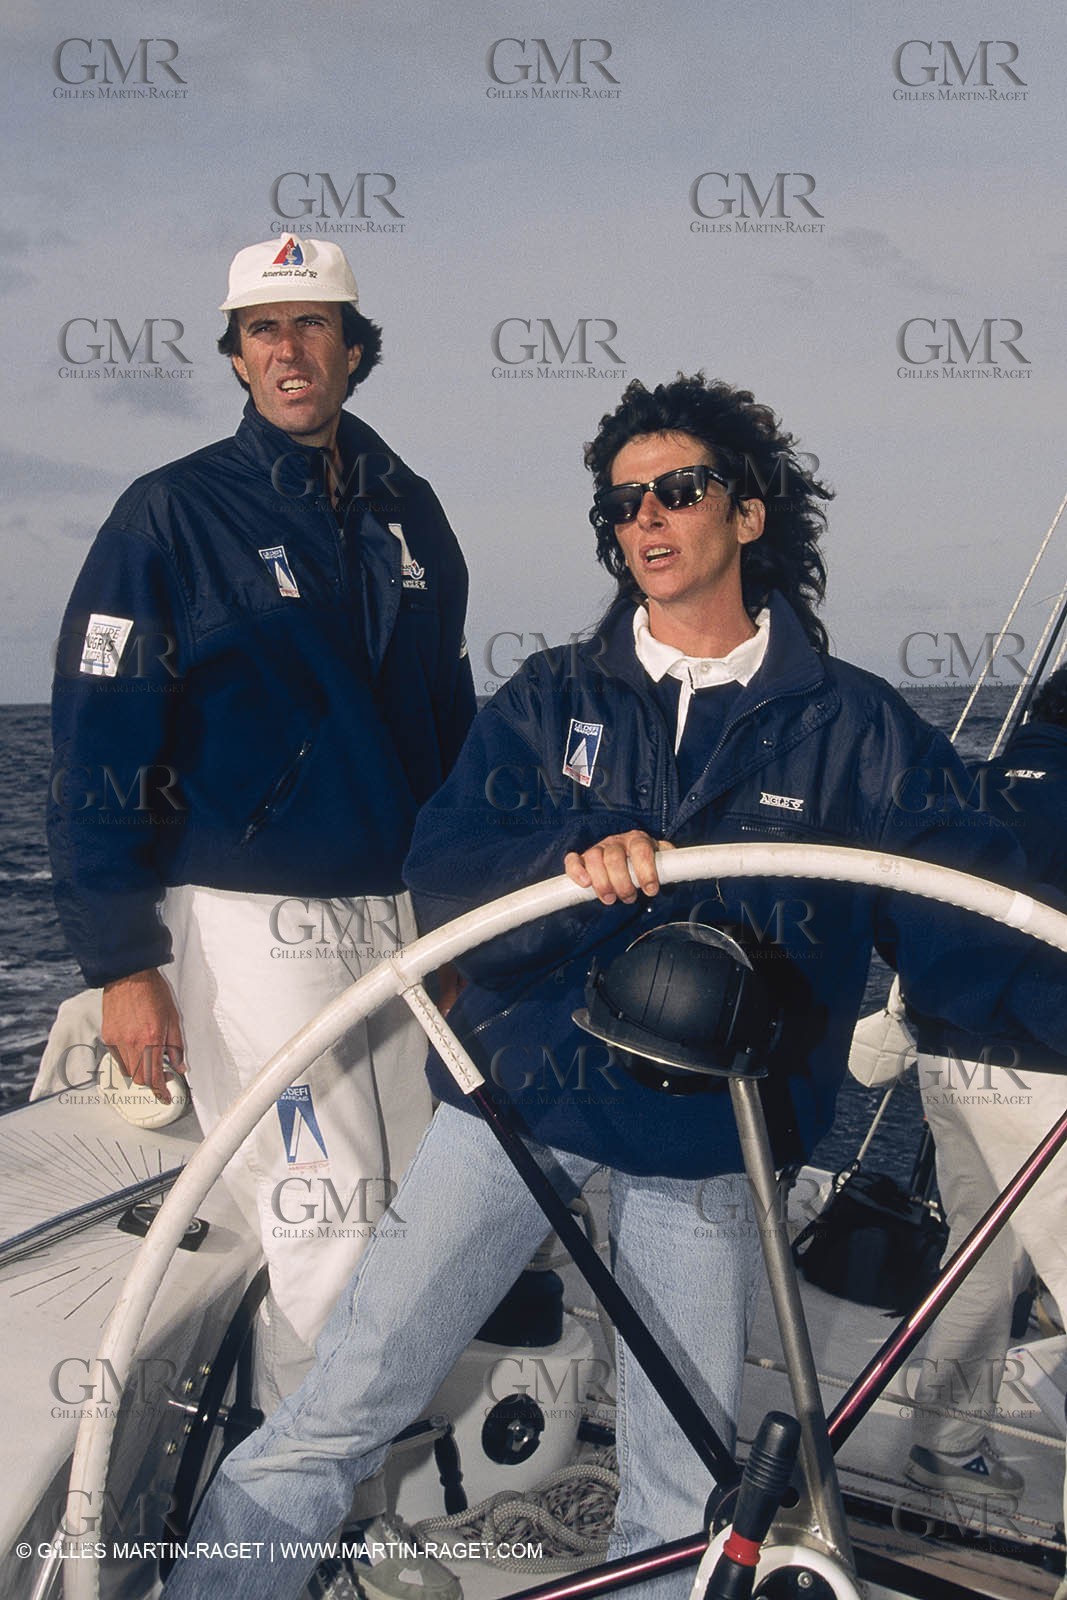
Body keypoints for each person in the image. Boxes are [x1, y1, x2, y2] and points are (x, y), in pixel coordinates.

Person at [162, 374, 1067, 1600]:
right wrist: (567, 864)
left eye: (676, 491)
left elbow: (972, 934)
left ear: (748, 514)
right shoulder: (548, 700)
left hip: (713, 1144)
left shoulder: (856, 729)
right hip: (518, 1107)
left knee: (674, 1487)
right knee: (338, 1409)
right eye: (622, 501)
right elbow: (447, 879)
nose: (644, 518)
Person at [48, 236, 475, 1595]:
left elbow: (445, 731)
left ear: (356, 346)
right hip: (238, 929)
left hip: (395, 921)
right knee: (328, 1236)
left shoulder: (410, 514)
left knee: (410, 1230)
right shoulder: (168, 516)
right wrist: (122, 959)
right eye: (262, 329)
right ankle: (289, 1553)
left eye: (316, 326)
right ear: (233, 356)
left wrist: (458, 921)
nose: (290, 351)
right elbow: (100, 740)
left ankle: (337, 1510)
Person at [906, 669, 1067, 1521]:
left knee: (977, 1257)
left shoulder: (970, 788)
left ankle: (946, 1445)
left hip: (949, 1063)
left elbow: (906, 917)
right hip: (1049, 1077)